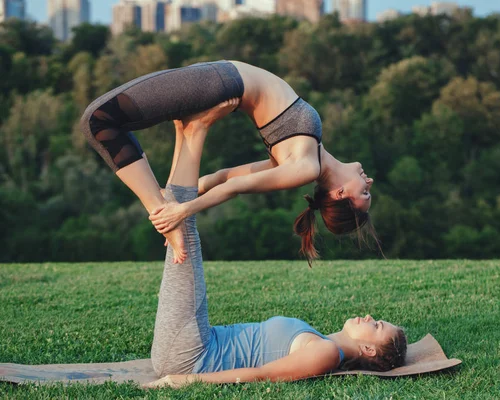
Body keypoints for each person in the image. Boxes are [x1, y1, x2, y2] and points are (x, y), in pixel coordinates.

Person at [144, 109, 406, 388]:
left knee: (184, 226)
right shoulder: (321, 342)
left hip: (192, 357)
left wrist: (180, 381)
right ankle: (185, 128)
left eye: (376, 325)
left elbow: (262, 376)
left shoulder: (326, 353)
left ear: (369, 350)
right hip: (198, 341)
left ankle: (191, 129)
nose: (369, 316)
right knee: (182, 225)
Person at [81, 61, 376, 265]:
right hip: (219, 76)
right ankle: (160, 204)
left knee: (98, 120)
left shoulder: (306, 167)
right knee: (100, 119)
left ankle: (158, 212)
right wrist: (180, 194)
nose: (369, 182)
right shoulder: (311, 153)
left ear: (339, 193)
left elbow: (236, 186)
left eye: (364, 193)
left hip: (221, 81)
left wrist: (181, 211)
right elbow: (222, 177)